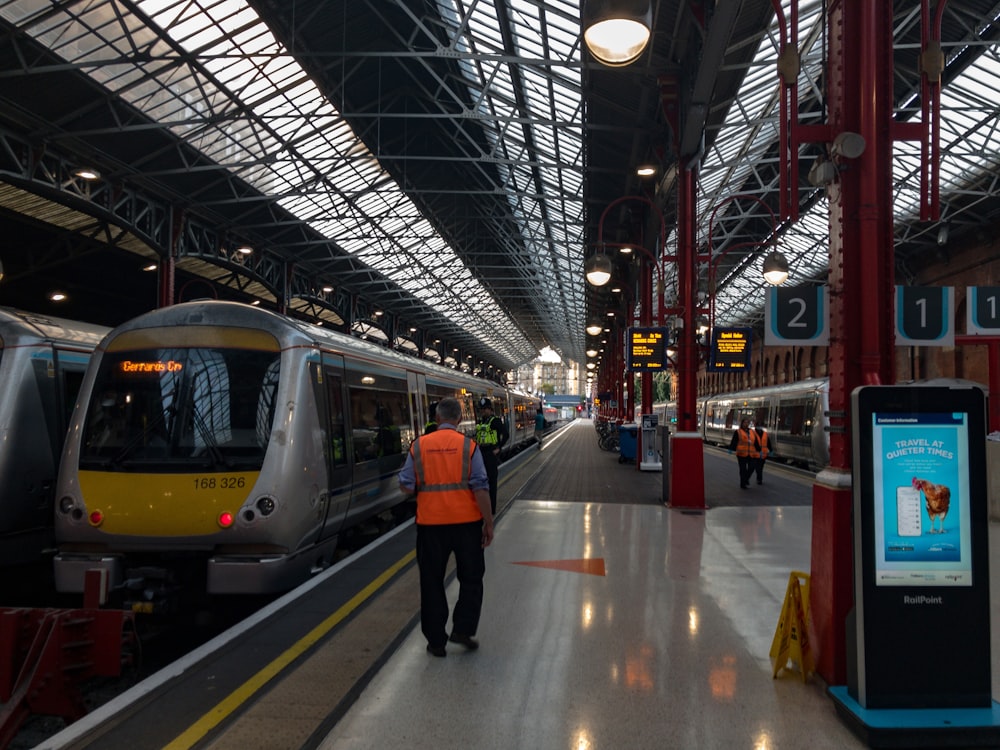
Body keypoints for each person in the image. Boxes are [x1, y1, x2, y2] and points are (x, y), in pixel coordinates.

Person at [399, 397, 494, 657]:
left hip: (430, 526)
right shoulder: (469, 447)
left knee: (431, 582)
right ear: (460, 420)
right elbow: (481, 487)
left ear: (437, 419)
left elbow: (406, 485)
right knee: (472, 578)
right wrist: (488, 522)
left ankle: (436, 642)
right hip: (467, 526)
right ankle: (462, 629)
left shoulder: (418, 446)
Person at [475, 397, 509, 514]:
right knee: (480, 482)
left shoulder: (495, 421)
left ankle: (491, 509)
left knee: (491, 483)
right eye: (481, 409)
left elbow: (505, 434)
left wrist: (498, 448)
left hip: (490, 453)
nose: (483, 411)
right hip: (480, 453)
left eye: (485, 409)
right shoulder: (481, 421)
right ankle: (483, 508)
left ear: (490, 409)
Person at [728, 417, 755, 489]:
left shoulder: (752, 432)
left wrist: (760, 450)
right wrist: (731, 448)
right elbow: (734, 441)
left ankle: (746, 479)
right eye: (745, 422)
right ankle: (743, 484)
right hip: (741, 454)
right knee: (743, 469)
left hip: (751, 454)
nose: (746, 424)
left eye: (747, 422)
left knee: (752, 467)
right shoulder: (738, 432)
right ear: (742, 423)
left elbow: (756, 442)